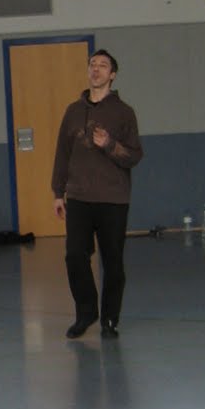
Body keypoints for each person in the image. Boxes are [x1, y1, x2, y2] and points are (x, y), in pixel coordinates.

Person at [51, 48, 143, 338]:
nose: (96, 69)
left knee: (113, 261)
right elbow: (62, 153)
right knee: (74, 256)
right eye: (92, 64)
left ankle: (110, 320)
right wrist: (58, 192)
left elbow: (134, 156)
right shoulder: (73, 111)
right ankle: (86, 312)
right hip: (78, 196)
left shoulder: (124, 113)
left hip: (113, 198)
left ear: (112, 74)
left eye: (103, 65)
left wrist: (109, 144)